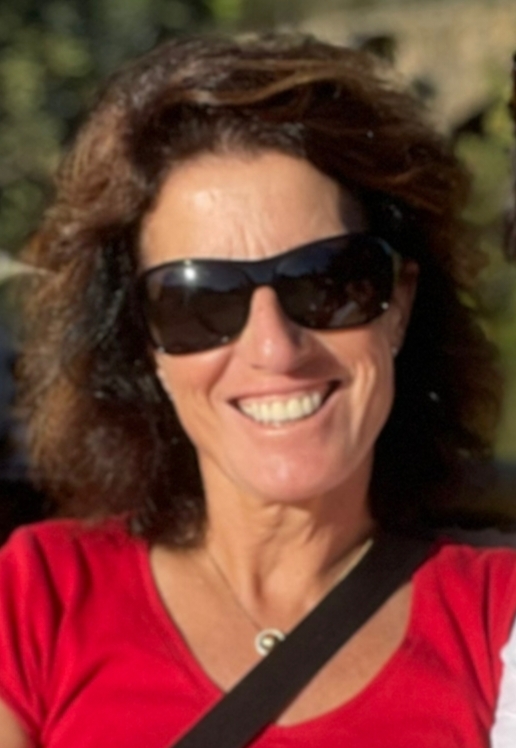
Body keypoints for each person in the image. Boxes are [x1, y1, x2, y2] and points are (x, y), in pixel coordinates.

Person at [0, 32, 515, 748]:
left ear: (397, 304)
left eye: (326, 283)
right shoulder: (37, 600)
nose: (275, 348)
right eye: (199, 302)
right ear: (145, 343)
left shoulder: (497, 618)